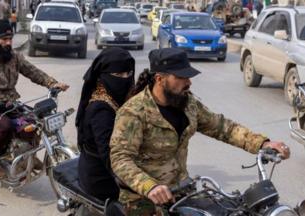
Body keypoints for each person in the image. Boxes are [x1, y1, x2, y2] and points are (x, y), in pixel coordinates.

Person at [109, 48, 291, 215]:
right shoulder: (134, 112)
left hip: (181, 193)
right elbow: (120, 158)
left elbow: (222, 127)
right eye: (181, 77)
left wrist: (262, 143)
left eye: (188, 76)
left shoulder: (187, 104)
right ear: (160, 79)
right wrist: (149, 186)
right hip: (143, 200)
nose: (188, 82)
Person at [0, 19, 69, 179]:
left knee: (35, 120)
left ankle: (27, 156)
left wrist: (53, 83)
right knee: (5, 126)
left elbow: (32, 71)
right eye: (4, 39)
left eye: (10, 39)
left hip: (10, 101)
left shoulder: (14, 56)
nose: (8, 42)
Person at [76, 48, 135, 202]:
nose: (125, 79)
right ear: (103, 77)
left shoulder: (119, 99)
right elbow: (110, 156)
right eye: (118, 75)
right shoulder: (101, 109)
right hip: (100, 177)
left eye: (128, 74)